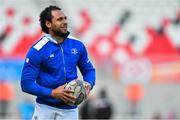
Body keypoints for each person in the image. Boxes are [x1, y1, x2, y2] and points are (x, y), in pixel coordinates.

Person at [21, 5, 96, 120]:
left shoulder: (78, 45)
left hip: (70, 110)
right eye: (59, 19)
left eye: (65, 18)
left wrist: (89, 84)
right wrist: (53, 93)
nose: (65, 22)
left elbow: (89, 70)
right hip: (45, 109)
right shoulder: (37, 50)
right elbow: (26, 84)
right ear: (48, 24)